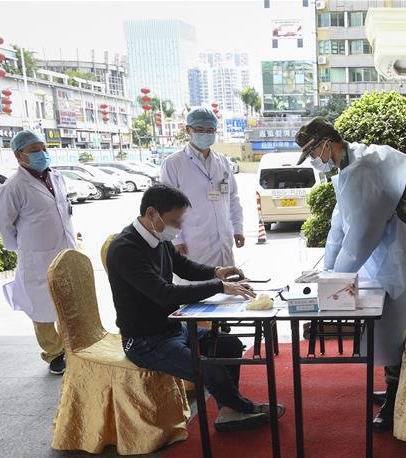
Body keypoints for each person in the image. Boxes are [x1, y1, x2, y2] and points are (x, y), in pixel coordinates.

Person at [295, 117, 406, 432]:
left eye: (313, 153)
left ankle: (399, 400)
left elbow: (360, 235)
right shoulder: (348, 167)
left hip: (405, 253)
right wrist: (327, 270)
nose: (315, 160)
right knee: (389, 325)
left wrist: (335, 278)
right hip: (390, 253)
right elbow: (340, 223)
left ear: (327, 143)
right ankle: (395, 388)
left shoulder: (363, 169)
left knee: (399, 328)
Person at [105, 184, 284, 432]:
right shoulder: (125, 249)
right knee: (210, 369)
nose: (179, 227)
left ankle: (229, 410)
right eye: (174, 221)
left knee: (230, 346)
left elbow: (184, 267)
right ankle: (243, 408)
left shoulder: (158, 239)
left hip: (172, 329)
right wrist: (219, 286)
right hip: (144, 341)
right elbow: (164, 294)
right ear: (151, 213)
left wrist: (217, 272)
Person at [0, 129, 76, 375]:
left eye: (43, 148)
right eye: (34, 150)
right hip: (36, 257)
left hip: (65, 251)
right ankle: (54, 354)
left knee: (68, 303)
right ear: (20, 155)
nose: (42, 153)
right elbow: (4, 224)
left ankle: (71, 348)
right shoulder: (13, 186)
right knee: (41, 307)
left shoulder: (56, 177)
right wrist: (23, 247)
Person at [160, 107, 243, 269]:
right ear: (188, 130)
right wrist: (176, 239)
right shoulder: (173, 163)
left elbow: (233, 198)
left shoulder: (223, 162)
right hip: (192, 243)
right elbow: (165, 206)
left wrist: (238, 228)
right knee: (196, 281)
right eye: (199, 129)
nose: (206, 134)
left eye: (210, 130)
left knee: (225, 281)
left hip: (223, 240)